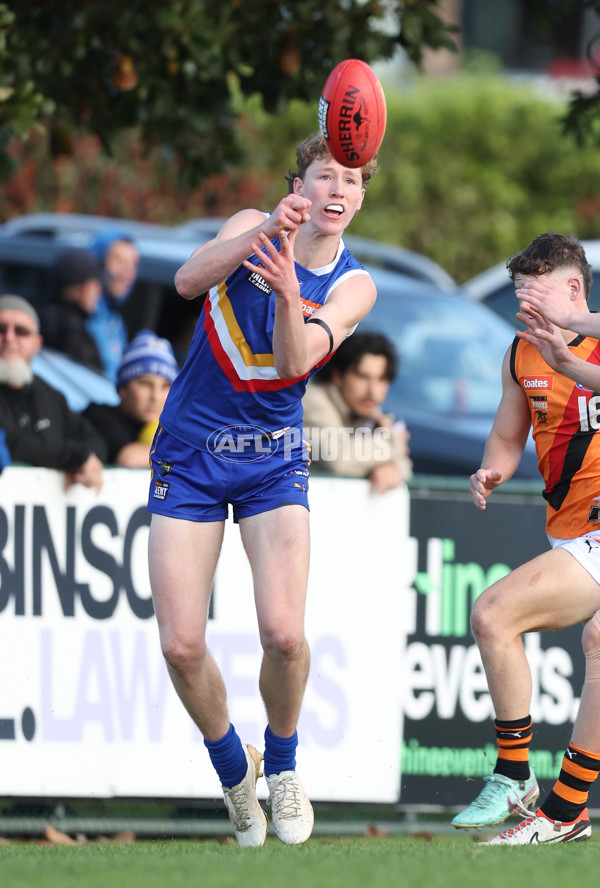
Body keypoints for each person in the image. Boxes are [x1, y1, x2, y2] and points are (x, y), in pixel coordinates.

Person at [146, 132, 379, 847]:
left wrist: (285, 291)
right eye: (324, 176)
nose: (338, 191)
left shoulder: (352, 284)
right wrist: (260, 242)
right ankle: (233, 770)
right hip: (189, 453)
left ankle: (281, 767)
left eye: (352, 180)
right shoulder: (251, 226)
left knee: (283, 634)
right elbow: (187, 282)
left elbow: (289, 363)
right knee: (182, 646)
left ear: (362, 196)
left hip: (272, 460)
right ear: (298, 185)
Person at [451, 232, 600, 845]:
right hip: (571, 530)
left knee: (495, 613)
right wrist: (493, 468)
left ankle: (522, 781)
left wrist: (572, 359)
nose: (524, 310)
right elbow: (509, 436)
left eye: (534, 296)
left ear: (573, 291)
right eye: (519, 298)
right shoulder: (521, 353)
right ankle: (564, 811)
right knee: (521, 624)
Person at [0, 294, 107, 490]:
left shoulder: (50, 395)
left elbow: (95, 440)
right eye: (1, 329)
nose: (9, 337)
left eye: (21, 331)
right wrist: (76, 457)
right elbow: (12, 442)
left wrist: (84, 462)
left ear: (37, 344)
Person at [302, 331, 411, 492]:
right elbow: (338, 459)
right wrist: (393, 442)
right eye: (362, 377)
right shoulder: (312, 400)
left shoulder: (368, 410)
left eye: (381, 379)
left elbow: (405, 467)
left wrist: (384, 467)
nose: (373, 391)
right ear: (337, 375)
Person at [84, 329, 178, 467]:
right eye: (146, 384)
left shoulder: (170, 426)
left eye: (165, 386)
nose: (156, 397)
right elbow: (128, 458)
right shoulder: (98, 415)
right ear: (123, 389)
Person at [87, 229, 140, 381]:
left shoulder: (115, 322)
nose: (127, 271)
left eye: (133, 264)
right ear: (98, 261)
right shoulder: (81, 317)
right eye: (119, 260)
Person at [39, 248, 104, 371]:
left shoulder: (40, 318)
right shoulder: (72, 332)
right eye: (95, 286)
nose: (99, 293)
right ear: (82, 290)